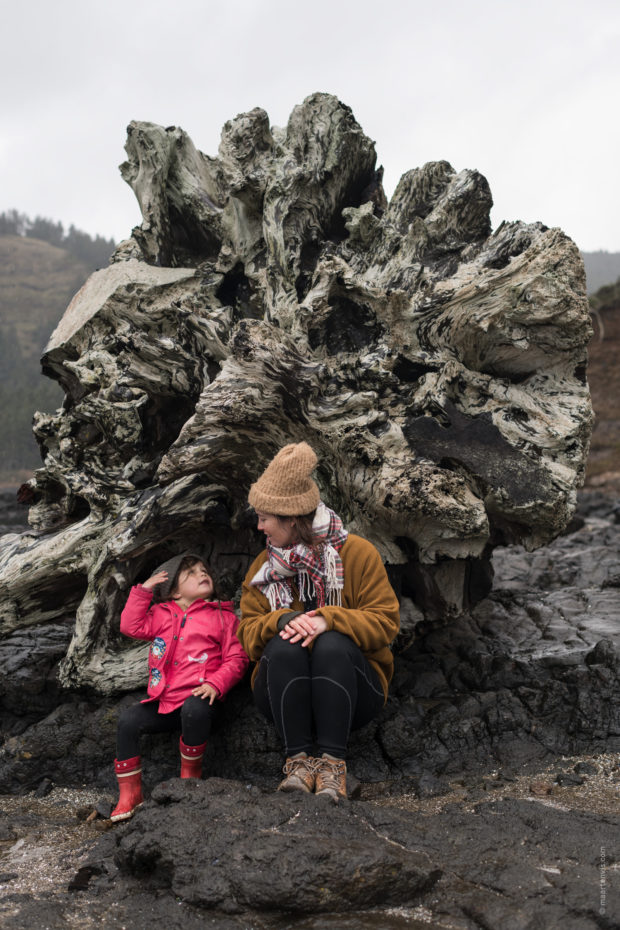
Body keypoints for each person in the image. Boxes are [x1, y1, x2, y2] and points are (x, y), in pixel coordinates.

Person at [238, 442, 400, 801]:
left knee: (331, 644)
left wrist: (329, 620)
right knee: (283, 644)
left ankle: (332, 767)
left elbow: (386, 623)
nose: (259, 526)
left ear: (291, 519)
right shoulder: (264, 570)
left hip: (354, 696)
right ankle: (297, 762)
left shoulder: (358, 553)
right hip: (282, 696)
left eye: (265, 517)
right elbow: (247, 635)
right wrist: (282, 620)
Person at [111, 552, 249, 822]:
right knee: (128, 721)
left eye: (203, 570)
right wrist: (143, 591)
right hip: (165, 702)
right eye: (192, 573)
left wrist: (215, 684)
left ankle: (189, 778)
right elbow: (130, 626)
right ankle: (130, 794)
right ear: (174, 592)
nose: (202, 574)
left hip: (203, 702)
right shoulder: (161, 614)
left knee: (194, 710)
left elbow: (237, 658)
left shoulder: (223, 616)